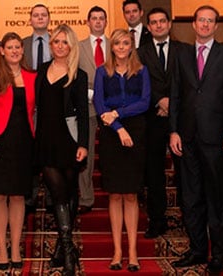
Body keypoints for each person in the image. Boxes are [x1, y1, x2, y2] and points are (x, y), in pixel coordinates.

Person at [169, 5, 223, 274]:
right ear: (194, 24)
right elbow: (176, 95)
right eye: (201, 20)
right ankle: (198, 249)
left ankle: (220, 254)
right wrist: (174, 131)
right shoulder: (181, 55)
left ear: (215, 26)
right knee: (190, 199)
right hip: (186, 139)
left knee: (216, 198)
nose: (204, 25)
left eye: (209, 21)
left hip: (216, 139)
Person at [93, 28, 150, 272]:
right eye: (117, 44)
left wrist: (119, 113)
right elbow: (99, 103)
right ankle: (117, 250)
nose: (122, 47)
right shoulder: (101, 72)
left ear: (131, 46)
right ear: (112, 47)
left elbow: (145, 102)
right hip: (110, 134)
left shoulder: (142, 70)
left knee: (131, 194)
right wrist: (118, 126)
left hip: (137, 132)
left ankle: (133, 251)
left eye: (126, 43)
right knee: (115, 194)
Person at [0, 32, 36, 271]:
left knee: (19, 195)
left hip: (24, 142)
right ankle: (2, 248)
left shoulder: (32, 76)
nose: (14, 51)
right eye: (9, 47)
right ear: (1, 50)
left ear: (22, 50)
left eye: (17, 47)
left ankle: (15, 248)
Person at [35, 24, 89, 275]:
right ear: (51, 44)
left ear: (71, 46)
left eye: (64, 42)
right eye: (56, 41)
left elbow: (84, 116)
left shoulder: (79, 74)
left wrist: (83, 145)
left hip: (69, 140)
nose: (59, 46)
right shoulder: (42, 70)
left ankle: (60, 247)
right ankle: (69, 252)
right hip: (45, 141)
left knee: (69, 194)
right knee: (57, 195)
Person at [137, 7, 183, 238]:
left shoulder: (184, 50)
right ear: (148, 27)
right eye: (153, 22)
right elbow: (138, 83)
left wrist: (171, 103)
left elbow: (190, 83)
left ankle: (189, 216)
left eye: (162, 21)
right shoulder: (140, 53)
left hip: (180, 120)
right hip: (152, 118)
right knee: (153, 172)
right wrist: (160, 101)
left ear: (169, 23)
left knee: (184, 170)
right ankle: (157, 220)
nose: (158, 25)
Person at [77, 5, 109, 214]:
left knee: (111, 152)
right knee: (86, 152)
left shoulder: (116, 45)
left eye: (101, 18)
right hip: (87, 106)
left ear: (105, 22)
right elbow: (74, 75)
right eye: (94, 18)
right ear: (87, 22)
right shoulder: (78, 47)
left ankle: (116, 190)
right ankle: (86, 198)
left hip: (112, 108)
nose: (97, 22)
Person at [22, 3, 53, 214]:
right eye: (36, 15)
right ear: (30, 19)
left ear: (48, 19)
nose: (40, 18)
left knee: (51, 150)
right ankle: (30, 195)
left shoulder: (58, 42)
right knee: (30, 151)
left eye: (43, 15)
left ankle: (52, 196)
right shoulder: (21, 44)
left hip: (52, 105)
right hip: (27, 105)